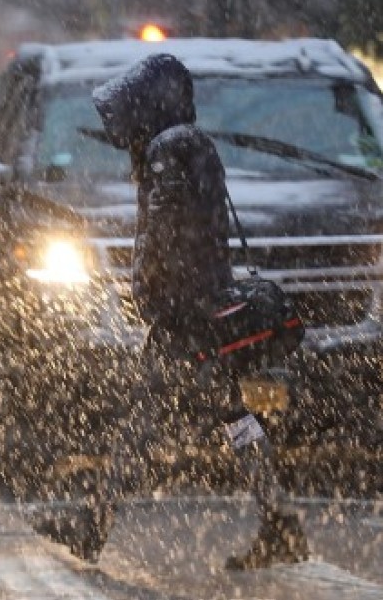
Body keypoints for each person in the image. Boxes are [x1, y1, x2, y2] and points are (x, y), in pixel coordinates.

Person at [32, 53, 310, 571]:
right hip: (201, 309)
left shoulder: (169, 149)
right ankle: (281, 522)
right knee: (234, 418)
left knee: (143, 423)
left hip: (186, 319)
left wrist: (165, 303)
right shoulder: (186, 144)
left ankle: (96, 524)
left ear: (148, 103)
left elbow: (168, 238)